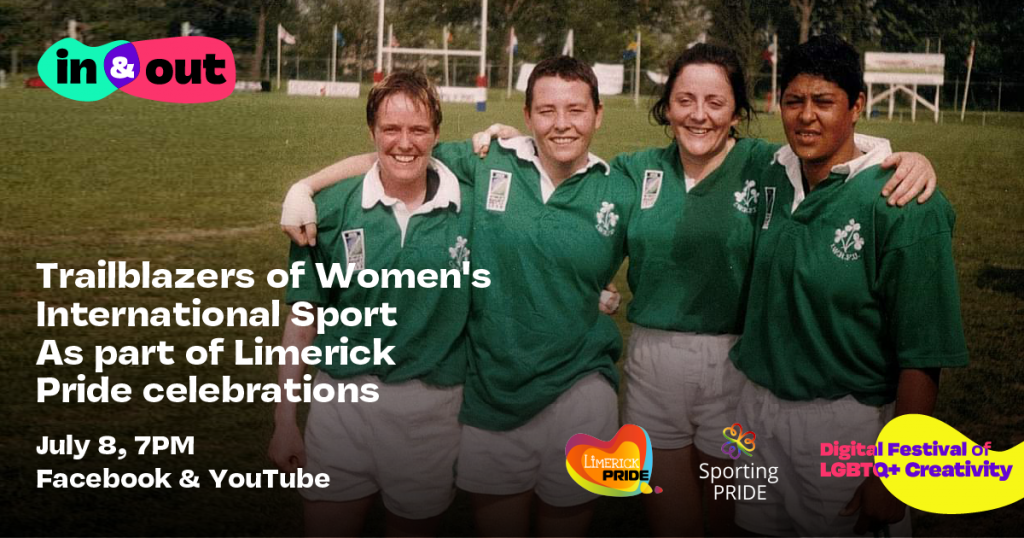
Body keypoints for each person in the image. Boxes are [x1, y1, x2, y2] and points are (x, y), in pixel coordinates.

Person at [467, 44, 937, 537]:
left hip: (738, 373)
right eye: (685, 99)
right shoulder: (634, 170)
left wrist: (908, 158)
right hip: (650, 367)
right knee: (671, 522)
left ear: (737, 109)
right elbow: (573, 190)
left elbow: (838, 153)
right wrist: (517, 140)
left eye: (715, 101)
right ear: (667, 105)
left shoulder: (769, 166)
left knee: (734, 518)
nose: (699, 114)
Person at [283, 56, 634, 537]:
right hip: (384, 402)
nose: (562, 124)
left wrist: (592, 289)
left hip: (461, 401)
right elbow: (393, 157)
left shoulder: (614, 186)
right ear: (528, 116)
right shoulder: (479, 165)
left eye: (575, 110)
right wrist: (303, 187)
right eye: (547, 110)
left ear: (599, 113)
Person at [728, 35, 968, 537]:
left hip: (846, 429)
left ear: (857, 105)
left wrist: (897, 472)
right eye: (794, 101)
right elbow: (701, 137)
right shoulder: (769, 173)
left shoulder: (903, 202)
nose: (806, 116)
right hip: (754, 415)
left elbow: (923, 354)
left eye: (824, 101)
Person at [267, 70, 473, 537]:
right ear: (372, 134)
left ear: (437, 134)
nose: (405, 143)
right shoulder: (325, 211)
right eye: (391, 129)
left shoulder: (473, 206)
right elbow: (302, 322)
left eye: (419, 130)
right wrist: (284, 421)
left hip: (433, 410)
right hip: (341, 406)